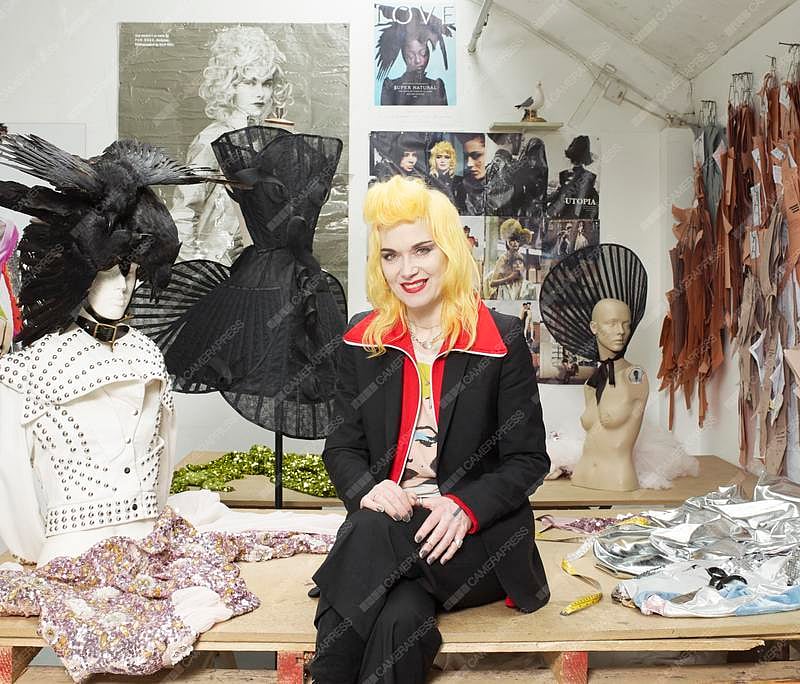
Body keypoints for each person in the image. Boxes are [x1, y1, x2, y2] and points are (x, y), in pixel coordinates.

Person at [309, 176, 550, 683]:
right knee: (400, 617)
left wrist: (465, 507)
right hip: (389, 533)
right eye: (391, 255)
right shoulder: (362, 339)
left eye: (422, 250)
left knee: (369, 535)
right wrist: (369, 489)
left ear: (449, 251)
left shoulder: (501, 337)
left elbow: (528, 461)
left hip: (474, 543)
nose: (407, 269)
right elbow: (342, 447)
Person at [171, 26, 293, 265]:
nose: (260, 93)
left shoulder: (274, 139)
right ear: (229, 85)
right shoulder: (212, 139)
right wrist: (197, 266)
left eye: (267, 83)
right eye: (249, 82)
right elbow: (184, 212)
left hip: (262, 263)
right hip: (215, 265)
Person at [376, 6, 452, 106]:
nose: (418, 60)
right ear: (403, 56)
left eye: (423, 54)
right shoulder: (390, 87)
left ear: (428, 55)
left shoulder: (437, 87)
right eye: (411, 55)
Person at [428, 139, 461, 206]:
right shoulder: (428, 181)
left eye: (447, 157)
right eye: (438, 157)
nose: (442, 161)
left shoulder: (458, 182)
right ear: (433, 159)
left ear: (452, 160)